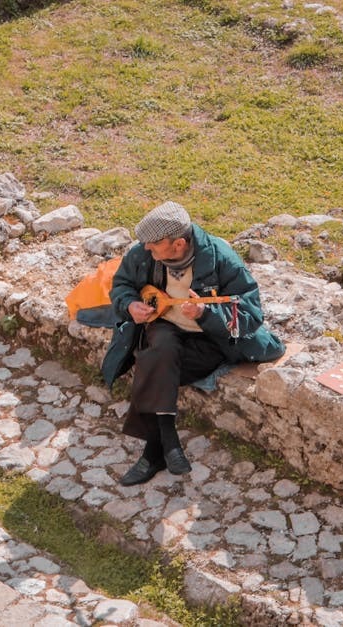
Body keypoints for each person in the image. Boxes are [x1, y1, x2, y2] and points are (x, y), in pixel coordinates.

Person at [101, 201, 285, 486]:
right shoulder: (144, 253)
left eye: (153, 245)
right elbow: (121, 285)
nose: (146, 249)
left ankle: (155, 450)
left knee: (153, 364)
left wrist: (205, 313)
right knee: (159, 347)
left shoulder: (222, 260)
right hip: (164, 330)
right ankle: (167, 442)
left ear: (178, 244)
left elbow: (250, 315)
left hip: (208, 340)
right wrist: (130, 305)